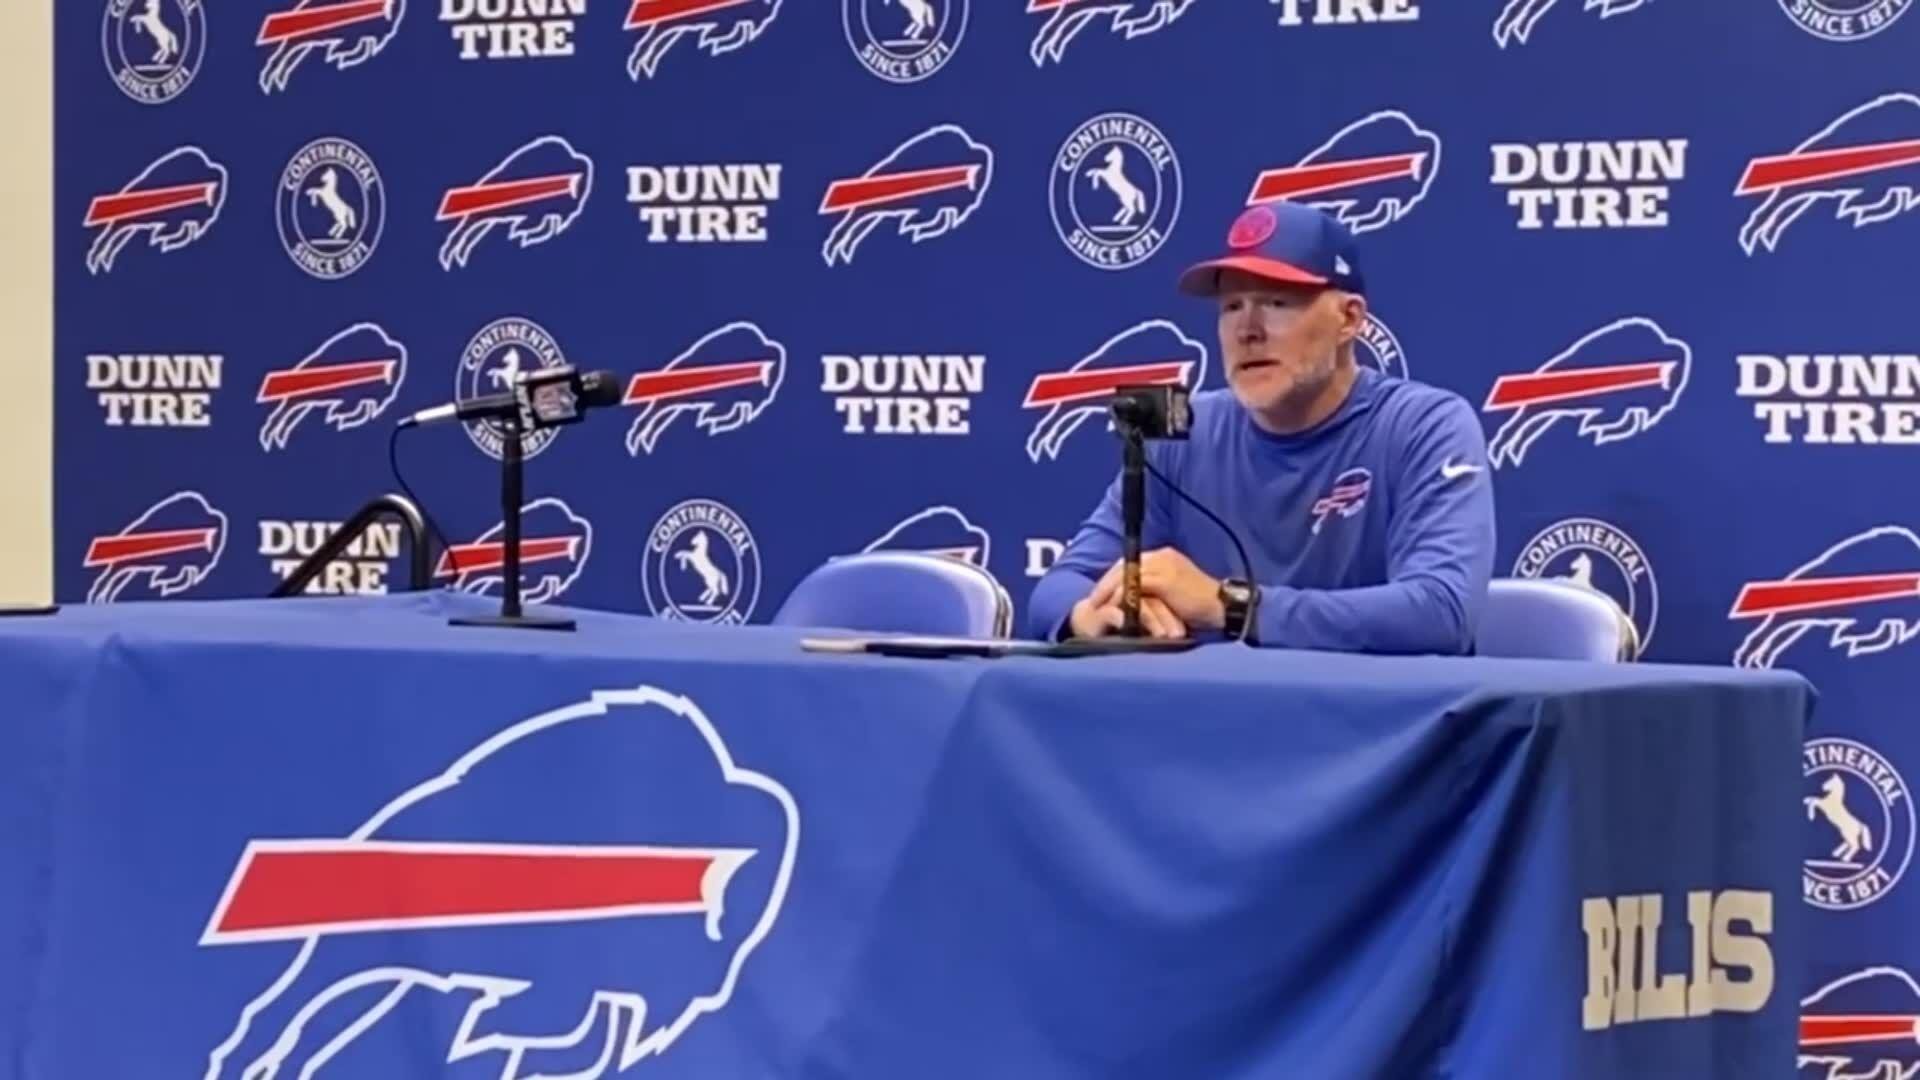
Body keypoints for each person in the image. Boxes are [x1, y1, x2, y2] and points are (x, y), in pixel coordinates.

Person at [1026, 201, 1495, 653]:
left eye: (1276, 302)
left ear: (1349, 319)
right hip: (1216, 722)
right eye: (1232, 306)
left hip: (1372, 725)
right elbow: (1059, 588)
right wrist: (1085, 617)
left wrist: (1227, 605)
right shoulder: (1185, 434)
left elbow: (1440, 612)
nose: (1247, 330)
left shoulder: (1423, 427)